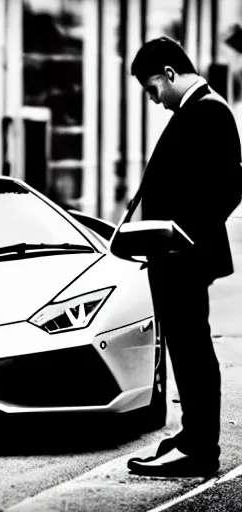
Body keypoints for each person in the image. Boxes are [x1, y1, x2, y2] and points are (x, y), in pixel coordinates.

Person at [125, 36, 242, 477]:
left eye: (153, 89)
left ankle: (198, 447)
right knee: (187, 348)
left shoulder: (208, 111)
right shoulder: (199, 110)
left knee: (191, 350)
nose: (154, 100)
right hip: (177, 254)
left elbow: (230, 186)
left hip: (183, 255)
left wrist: (182, 235)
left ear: (170, 74)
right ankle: (193, 436)